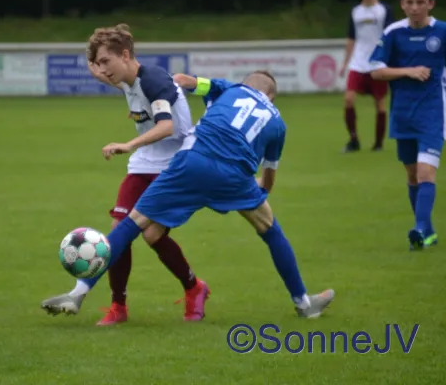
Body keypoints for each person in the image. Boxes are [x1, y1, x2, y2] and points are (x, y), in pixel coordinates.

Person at [42, 70, 335, 319]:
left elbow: (183, 80)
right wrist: (257, 190)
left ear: (246, 84)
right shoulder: (278, 123)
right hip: (235, 176)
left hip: (192, 161)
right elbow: (268, 177)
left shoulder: (230, 88)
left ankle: (78, 293)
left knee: (132, 224)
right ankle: (304, 303)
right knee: (270, 231)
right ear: (271, 98)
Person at [42, 24, 210, 325]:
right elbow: (120, 82)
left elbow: (166, 127)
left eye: (107, 62)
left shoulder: (155, 79)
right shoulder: (127, 80)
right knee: (119, 225)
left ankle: (194, 288)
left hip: (177, 164)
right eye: (99, 64)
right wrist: (98, 68)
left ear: (125, 54)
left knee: (151, 234)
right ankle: (118, 307)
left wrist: (127, 144)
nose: (103, 70)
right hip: (145, 162)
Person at [369, 0, 442, 250]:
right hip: (403, 115)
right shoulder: (394, 33)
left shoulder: (442, 32)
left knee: (425, 174)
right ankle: (429, 231)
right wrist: (409, 71)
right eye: (410, 2)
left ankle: (420, 229)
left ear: (430, 4)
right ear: (402, 4)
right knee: (412, 176)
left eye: (420, 2)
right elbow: (376, 72)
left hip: (433, 115)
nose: (415, 7)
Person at [340, 0, 395, 153]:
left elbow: (391, 35)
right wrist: (345, 63)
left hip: (377, 62)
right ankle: (353, 139)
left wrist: (390, 60)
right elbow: (351, 38)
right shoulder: (356, 11)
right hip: (358, 62)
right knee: (349, 99)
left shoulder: (384, 10)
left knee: (380, 104)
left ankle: (378, 143)